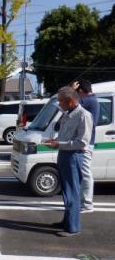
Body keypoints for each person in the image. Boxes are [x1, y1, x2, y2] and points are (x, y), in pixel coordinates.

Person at [45, 86, 93, 237]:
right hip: (65, 154)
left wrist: (59, 144)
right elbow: (64, 136)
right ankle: (67, 221)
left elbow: (82, 142)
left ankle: (73, 227)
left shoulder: (83, 115)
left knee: (72, 192)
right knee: (66, 191)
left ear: (71, 101)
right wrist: (55, 141)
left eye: (61, 101)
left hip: (74, 156)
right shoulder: (68, 114)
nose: (59, 104)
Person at [71, 79, 99, 213]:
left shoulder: (88, 101)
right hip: (86, 141)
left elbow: (70, 104)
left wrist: (71, 90)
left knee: (85, 172)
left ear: (81, 91)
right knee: (83, 172)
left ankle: (87, 204)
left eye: (78, 92)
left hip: (85, 142)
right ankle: (83, 202)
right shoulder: (92, 100)